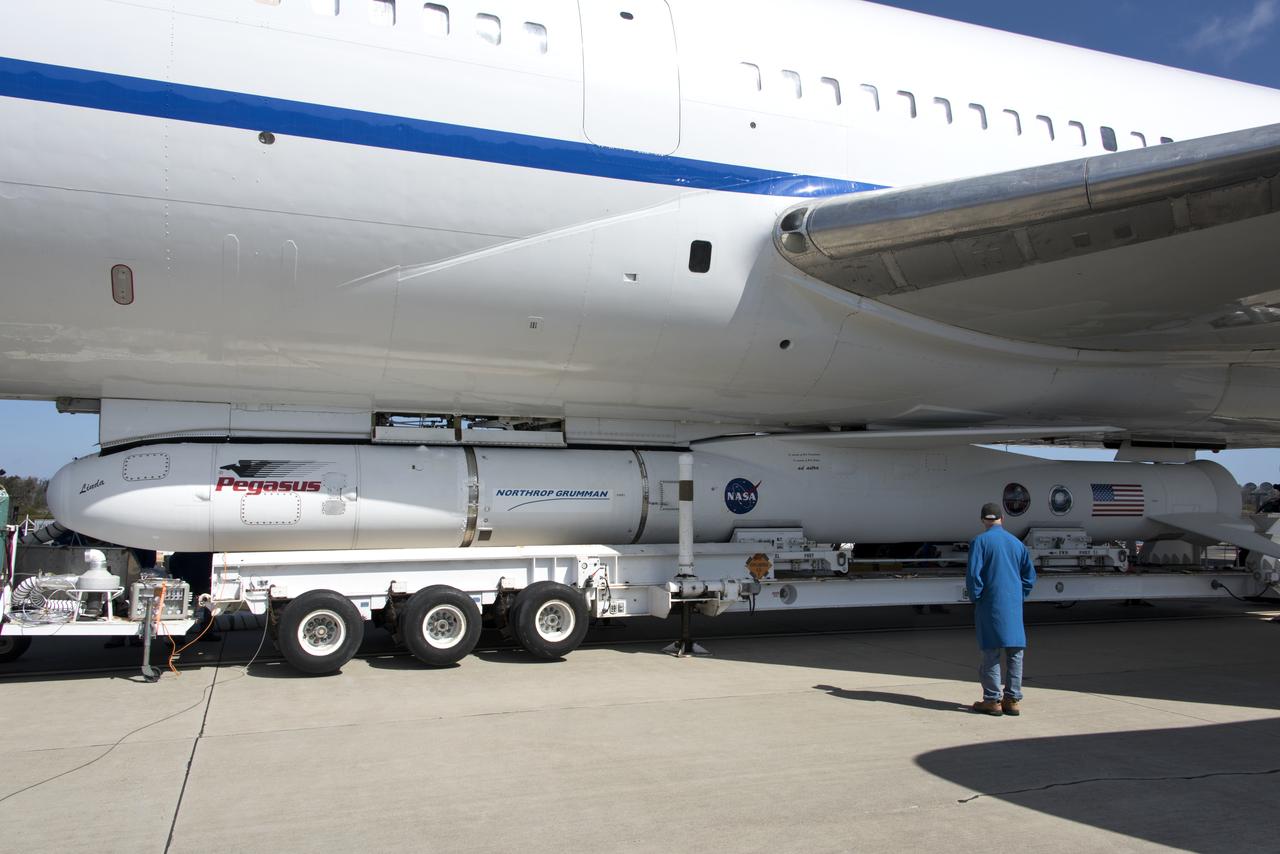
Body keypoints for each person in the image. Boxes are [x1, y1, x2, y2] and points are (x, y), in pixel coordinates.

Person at [966, 502, 1036, 716]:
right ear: (1002, 518)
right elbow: (1029, 576)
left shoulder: (979, 542)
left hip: (990, 603)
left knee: (991, 652)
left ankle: (992, 700)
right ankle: (1012, 700)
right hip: (1013, 605)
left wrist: (976, 597)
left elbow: (973, 575)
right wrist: (1019, 595)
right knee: (1015, 652)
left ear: (983, 520)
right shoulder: (1016, 544)